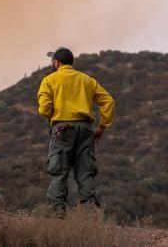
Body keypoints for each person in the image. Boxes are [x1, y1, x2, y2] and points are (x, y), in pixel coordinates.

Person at [37, 47, 116, 216]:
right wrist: (102, 127)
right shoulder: (87, 80)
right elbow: (108, 101)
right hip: (85, 130)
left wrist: (54, 116)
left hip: (63, 129)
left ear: (57, 62)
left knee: (58, 172)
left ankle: (58, 215)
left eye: (52, 60)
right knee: (85, 172)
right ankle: (91, 217)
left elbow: (44, 108)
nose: (52, 62)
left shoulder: (49, 80)